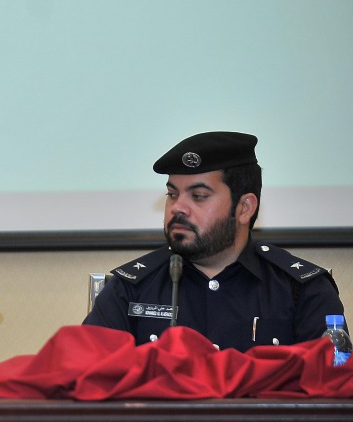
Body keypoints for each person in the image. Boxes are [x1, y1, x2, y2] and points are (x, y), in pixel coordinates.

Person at [84, 131, 342, 350]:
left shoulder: (304, 290)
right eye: (172, 194)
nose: (178, 208)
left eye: (198, 196)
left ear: (244, 208)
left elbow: (335, 387)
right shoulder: (130, 289)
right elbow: (87, 379)